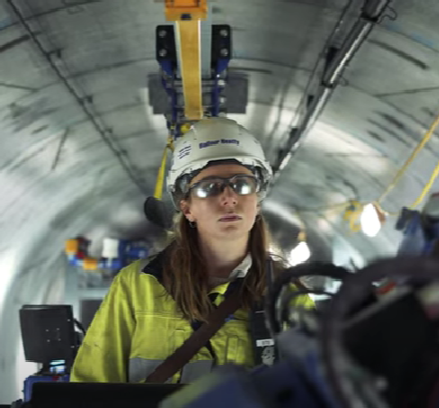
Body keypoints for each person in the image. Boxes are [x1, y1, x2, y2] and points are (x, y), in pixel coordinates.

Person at [70, 117, 314, 384]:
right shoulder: (138, 285)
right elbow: (91, 386)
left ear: (256, 202)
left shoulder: (286, 295)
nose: (229, 197)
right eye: (210, 188)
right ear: (187, 209)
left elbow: (322, 393)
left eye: (242, 184)